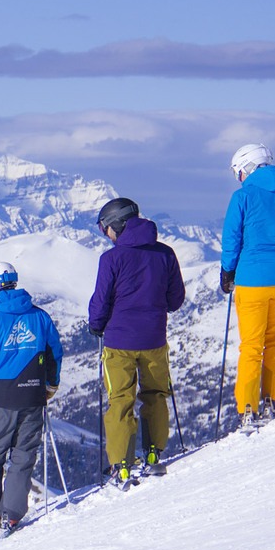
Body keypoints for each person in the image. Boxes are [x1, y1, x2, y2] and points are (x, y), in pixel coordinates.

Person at [87, 198, 186, 485]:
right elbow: (175, 300)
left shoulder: (111, 259)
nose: (106, 235)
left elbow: (101, 300)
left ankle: (122, 465)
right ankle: (154, 453)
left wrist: (96, 326)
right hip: (154, 338)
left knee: (121, 401)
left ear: (116, 225)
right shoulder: (165, 253)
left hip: (119, 342)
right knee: (155, 394)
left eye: (105, 229)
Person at [0, 262, 63, 538]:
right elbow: (55, 353)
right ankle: (12, 516)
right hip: (32, 395)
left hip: (0, 399)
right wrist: (50, 384)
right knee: (23, 457)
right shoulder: (40, 316)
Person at [219, 143, 275, 430]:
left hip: (252, 279)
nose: (238, 178)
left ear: (246, 167)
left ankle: (248, 410)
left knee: (251, 346)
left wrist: (227, 272)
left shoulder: (242, 197)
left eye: (237, 173)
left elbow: (232, 238)